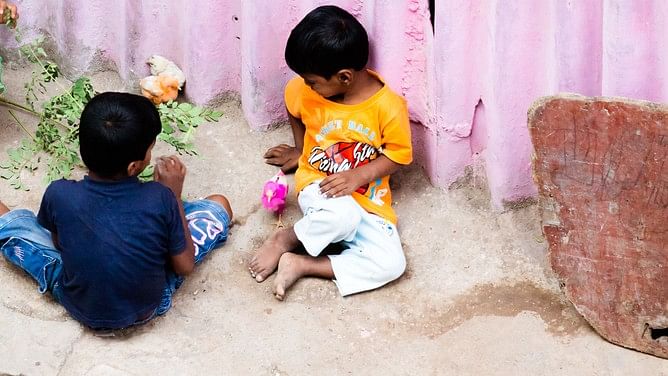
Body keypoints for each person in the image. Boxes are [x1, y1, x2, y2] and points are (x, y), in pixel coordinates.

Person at [0, 92, 233, 330]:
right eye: (150, 149)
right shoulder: (160, 198)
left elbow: (60, 245)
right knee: (219, 204)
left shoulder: (59, 192)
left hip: (77, 299)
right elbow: (184, 267)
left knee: (15, 226)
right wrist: (173, 196)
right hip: (148, 306)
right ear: (134, 166)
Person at [252, 5, 412, 300]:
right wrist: (301, 150)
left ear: (344, 77)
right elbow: (292, 102)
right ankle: (285, 239)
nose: (306, 86)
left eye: (312, 80)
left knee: (392, 264)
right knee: (342, 218)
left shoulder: (389, 107)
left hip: (368, 201)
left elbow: (399, 155)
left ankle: (303, 264)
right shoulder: (306, 92)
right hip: (320, 187)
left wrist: (360, 175)